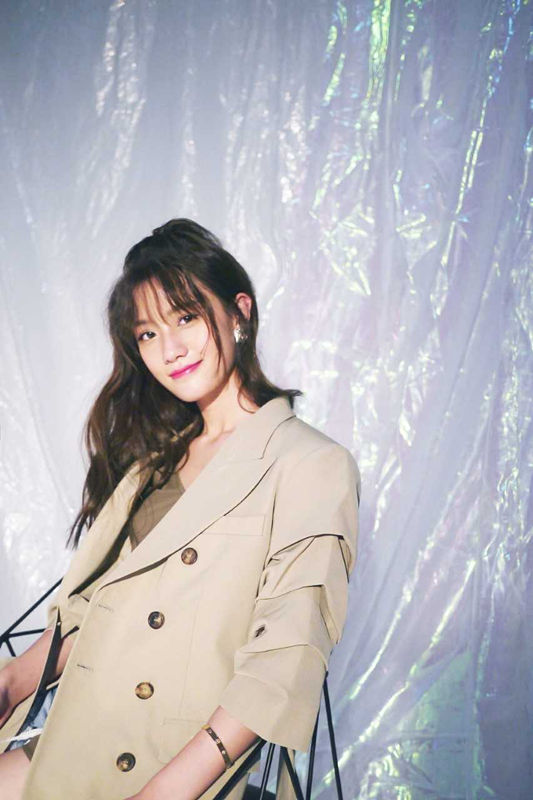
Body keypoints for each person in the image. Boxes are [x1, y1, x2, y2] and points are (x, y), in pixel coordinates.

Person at [0, 219, 361, 800]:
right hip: (82, 732)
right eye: (147, 334)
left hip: (186, 765)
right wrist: (13, 679)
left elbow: (284, 658)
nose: (168, 350)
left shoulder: (310, 462)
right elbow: (99, 608)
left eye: (186, 318)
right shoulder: (152, 464)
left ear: (239, 313)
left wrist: (168, 790)